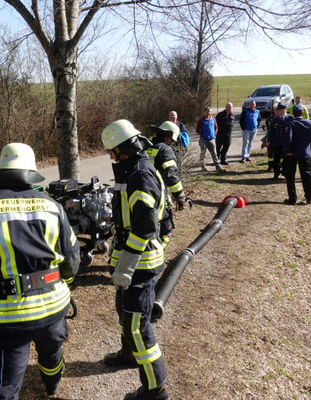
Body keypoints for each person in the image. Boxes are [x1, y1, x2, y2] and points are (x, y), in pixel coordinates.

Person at [0, 143, 80, 400]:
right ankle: (52, 385)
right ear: (30, 176)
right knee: (52, 353)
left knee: (4, 384)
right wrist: (62, 282)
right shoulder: (52, 205)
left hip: (13, 315)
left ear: (0, 176)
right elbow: (72, 257)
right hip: (54, 306)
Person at [101, 119, 169, 400]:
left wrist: (126, 266)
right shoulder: (131, 171)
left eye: (111, 152)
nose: (110, 158)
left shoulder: (140, 175)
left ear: (120, 150)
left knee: (136, 325)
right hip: (131, 260)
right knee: (123, 311)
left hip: (140, 264)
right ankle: (129, 354)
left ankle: (155, 388)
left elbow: (144, 227)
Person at [146, 121, 185, 248]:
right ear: (168, 137)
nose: (171, 143)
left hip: (139, 194)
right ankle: (157, 256)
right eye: (172, 141)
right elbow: (171, 177)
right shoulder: (165, 150)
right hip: (157, 196)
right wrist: (180, 196)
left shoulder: (144, 145)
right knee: (165, 232)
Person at [283, 104, 311, 205]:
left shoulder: (290, 123)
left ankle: (292, 199)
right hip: (305, 152)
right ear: (302, 113)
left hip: (292, 153)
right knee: (306, 176)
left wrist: (288, 150)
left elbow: (288, 138)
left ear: (293, 113)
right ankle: (309, 197)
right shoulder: (310, 123)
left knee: (290, 177)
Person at [267, 103, 292, 179]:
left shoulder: (290, 118)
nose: (277, 112)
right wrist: (269, 141)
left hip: (286, 143)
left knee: (286, 159)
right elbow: (271, 132)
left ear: (283, 110)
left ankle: (284, 172)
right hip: (276, 143)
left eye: (278, 110)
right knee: (276, 159)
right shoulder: (275, 119)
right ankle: (276, 173)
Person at [195, 107, 224, 172]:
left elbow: (216, 127)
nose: (208, 112)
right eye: (207, 111)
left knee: (214, 153)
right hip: (203, 140)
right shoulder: (201, 120)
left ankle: (218, 166)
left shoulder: (213, 119)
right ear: (204, 112)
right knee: (203, 153)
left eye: (209, 111)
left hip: (211, 139)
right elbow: (197, 130)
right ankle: (202, 167)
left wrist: (214, 134)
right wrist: (203, 135)